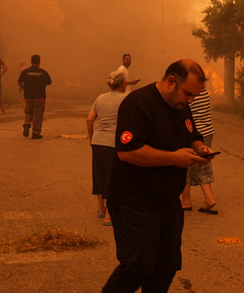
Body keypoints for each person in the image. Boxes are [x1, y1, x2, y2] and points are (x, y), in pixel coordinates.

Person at [103, 59, 215, 293]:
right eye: (188, 94)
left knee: (166, 267)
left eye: (194, 96)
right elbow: (128, 152)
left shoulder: (181, 105)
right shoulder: (138, 103)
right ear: (171, 81)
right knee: (138, 265)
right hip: (133, 201)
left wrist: (199, 147)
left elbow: (192, 134)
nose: (190, 100)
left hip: (167, 202)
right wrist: (174, 158)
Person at [86, 70, 127, 226]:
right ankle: (110, 215)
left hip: (98, 142)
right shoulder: (126, 99)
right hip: (114, 143)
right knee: (113, 176)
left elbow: (89, 120)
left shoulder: (100, 98)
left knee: (99, 175)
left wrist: (91, 138)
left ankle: (101, 209)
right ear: (123, 84)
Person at [180, 88, 218, 214]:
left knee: (185, 164)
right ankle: (209, 199)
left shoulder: (188, 93)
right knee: (204, 164)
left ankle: (185, 202)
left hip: (192, 133)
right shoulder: (205, 91)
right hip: (207, 131)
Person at [17, 54, 52, 139]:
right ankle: (36, 133)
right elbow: (49, 82)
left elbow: (19, 82)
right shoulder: (43, 72)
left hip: (28, 96)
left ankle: (27, 123)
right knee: (38, 113)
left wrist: (25, 88)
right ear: (39, 62)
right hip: (39, 97)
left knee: (28, 111)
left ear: (31, 61)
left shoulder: (25, 72)